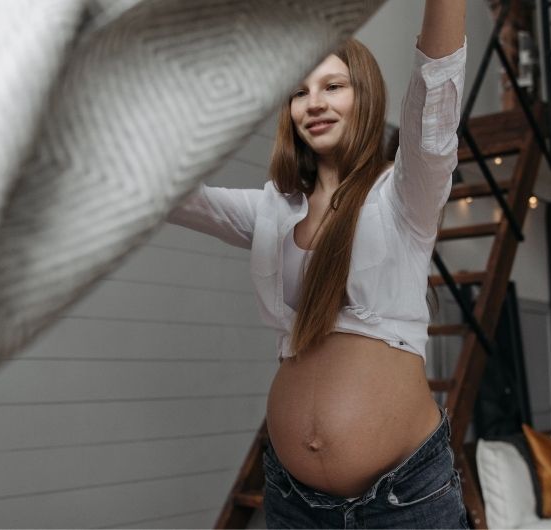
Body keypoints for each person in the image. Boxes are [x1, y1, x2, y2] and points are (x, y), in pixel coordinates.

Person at [166, 1, 469, 527]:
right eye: (299, 92)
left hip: (405, 498)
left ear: (365, 95)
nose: (314, 103)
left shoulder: (403, 194)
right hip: (294, 499)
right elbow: (167, 194)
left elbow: (435, 96)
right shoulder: (272, 210)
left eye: (333, 86)